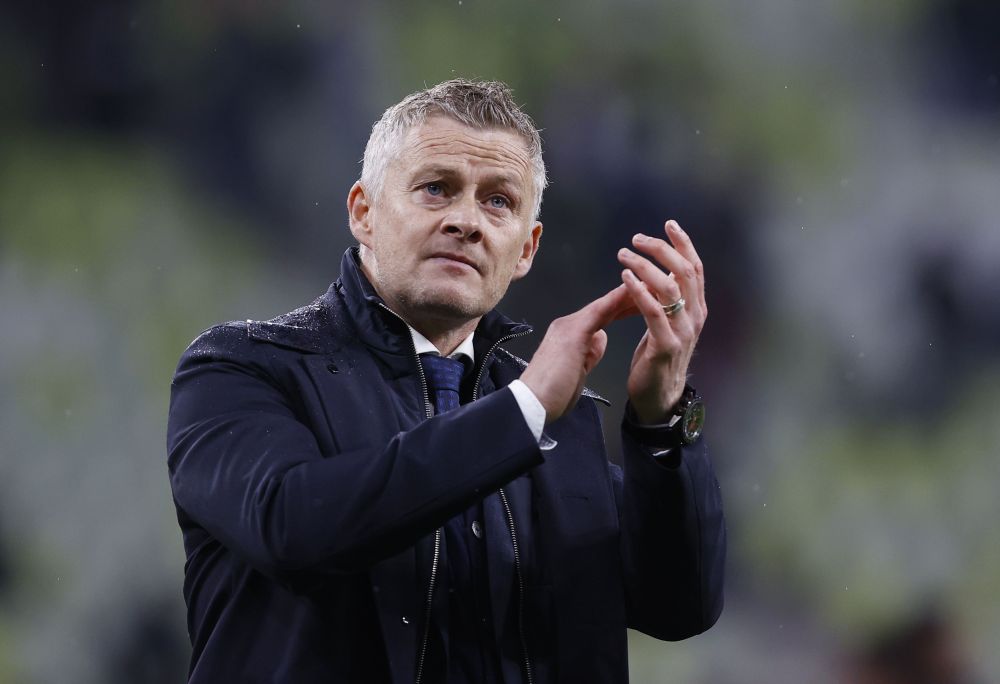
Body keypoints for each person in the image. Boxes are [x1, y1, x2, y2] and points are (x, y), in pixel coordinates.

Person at [167, 79, 725, 684]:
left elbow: (678, 607)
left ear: (526, 250)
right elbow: (295, 527)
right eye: (436, 189)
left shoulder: (560, 425)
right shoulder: (239, 368)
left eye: (499, 202)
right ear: (363, 212)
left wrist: (661, 419)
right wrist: (523, 410)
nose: (467, 221)